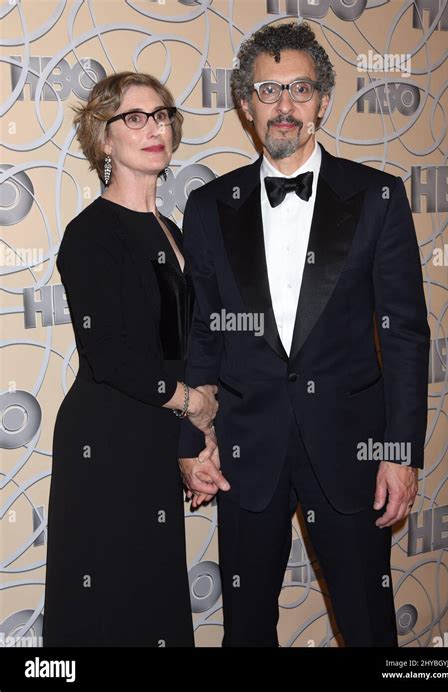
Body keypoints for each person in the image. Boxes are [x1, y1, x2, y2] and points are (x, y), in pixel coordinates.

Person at [178, 23, 430, 647]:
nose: (284, 105)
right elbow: (202, 335)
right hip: (246, 452)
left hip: (351, 451)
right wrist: (191, 439)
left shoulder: (377, 197)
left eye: (299, 89)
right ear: (245, 104)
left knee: (370, 628)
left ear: (322, 100)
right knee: (247, 632)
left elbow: (403, 336)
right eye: (268, 89)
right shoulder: (210, 207)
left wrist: (401, 452)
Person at [43, 72, 227, 647]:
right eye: (135, 118)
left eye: (162, 115)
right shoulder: (90, 233)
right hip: (106, 440)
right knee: (109, 608)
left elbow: (178, 348)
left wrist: (198, 437)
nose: (155, 128)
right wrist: (191, 402)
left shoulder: (171, 230)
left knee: (153, 603)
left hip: (153, 437)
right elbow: (112, 357)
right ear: (104, 139)